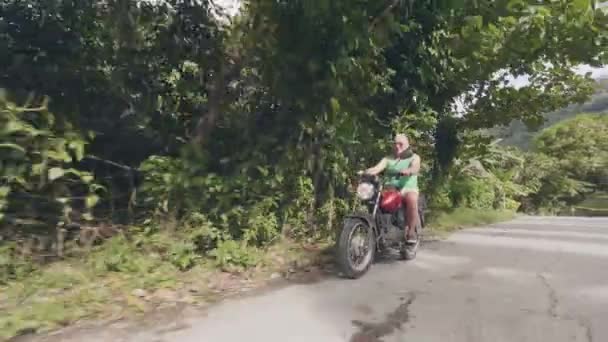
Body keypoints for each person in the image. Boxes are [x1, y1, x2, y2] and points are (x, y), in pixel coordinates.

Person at [359, 133, 421, 243]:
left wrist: (409, 171)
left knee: (412, 199)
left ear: (407, 145)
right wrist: (365, 172)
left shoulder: (414, 157)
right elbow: (376, 168)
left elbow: (415, 167)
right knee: (373, 200)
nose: (397, 146)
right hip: (390, 188)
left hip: (407, 188)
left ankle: (411, 232)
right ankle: (379, 230)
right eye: (395, 144)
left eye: (400, 144)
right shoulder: (388, 159)